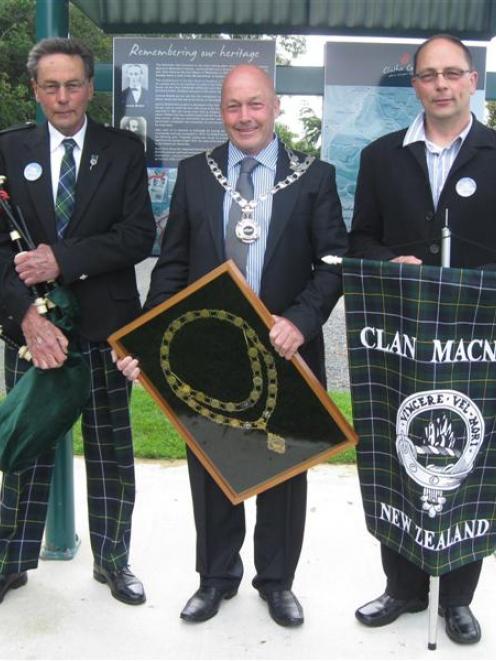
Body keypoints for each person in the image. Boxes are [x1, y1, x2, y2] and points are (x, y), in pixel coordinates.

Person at [118, 63, 348, 626]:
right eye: (233, 106)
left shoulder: (314, 176)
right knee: (210, 462)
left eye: (255, 105)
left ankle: (277, 582)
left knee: (284, 469)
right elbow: (171, 265)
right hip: (209, 352)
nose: (244, 117)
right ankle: (216, 577)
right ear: (221, 112)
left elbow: (333, 264)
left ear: (274, 107)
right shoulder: (197, 174)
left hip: (286, 348)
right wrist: (147, 338)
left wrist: (300, 320)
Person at [0, 38, 156, 606]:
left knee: (112, 453)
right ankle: (11, 560)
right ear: (35, 89)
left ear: (91, 88)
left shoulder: (125, 150)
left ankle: (113, 561)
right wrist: (25, 316)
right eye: (50, 85)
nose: (62, 97)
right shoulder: (8, 150)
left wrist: (63, 259)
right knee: (27, 448)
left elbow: (140, 235)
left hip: (107, 329)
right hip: (34, 334)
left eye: (73, 85)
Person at [348, 34, 493, 645]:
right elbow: (361, 243)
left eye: (451, 73)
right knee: (396, 446)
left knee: (466, 457)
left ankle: (457, 598)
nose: (440, 84)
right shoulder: (382, 156)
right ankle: (404, 588)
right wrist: (393, 264)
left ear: (472, 82)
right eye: (428, 75)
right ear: (414, 84)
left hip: (475, 340)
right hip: (400, 339)